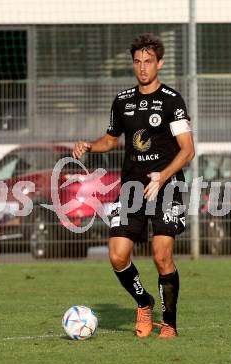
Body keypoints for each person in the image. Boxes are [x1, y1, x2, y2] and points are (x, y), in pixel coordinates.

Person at [73, 33, 195, 338]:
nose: (142, 67)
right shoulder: (123, 100)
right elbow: (111, 140)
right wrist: (90, 145)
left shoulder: (172, 101)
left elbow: (188, 149)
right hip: (131, 189)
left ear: (160, 64)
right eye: (138, 62)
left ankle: (169, 322)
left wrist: (162, 175)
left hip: (167, 186)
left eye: (148, 62)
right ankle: (144, 302)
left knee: (161, 255)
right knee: (117, 255)